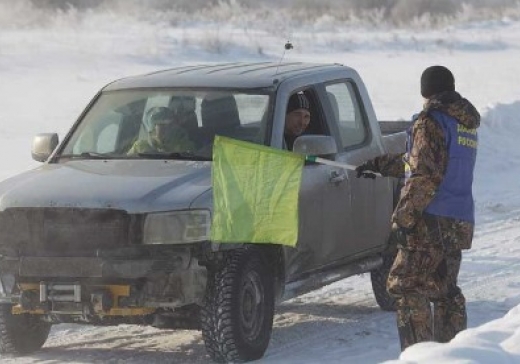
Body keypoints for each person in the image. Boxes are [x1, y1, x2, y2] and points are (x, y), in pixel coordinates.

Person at [356, 65, 480, 351]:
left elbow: (425, 174)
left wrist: (403, 218)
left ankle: (419, 356)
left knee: (407, 286)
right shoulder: (463, 123)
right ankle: (455, 354)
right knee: (444, 290)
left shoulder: (430, 121)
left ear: (426, 90)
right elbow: (426, 162)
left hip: (430, 219)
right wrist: (380, 165)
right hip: (457, 219)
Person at [128, 106, 195, 154]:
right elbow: (126, 166)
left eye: (165, 125)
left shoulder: (183, 145)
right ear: (151, 127)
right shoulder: (140, 146)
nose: (161, 128)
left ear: (172, 126)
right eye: (157, 124)